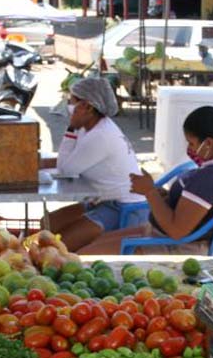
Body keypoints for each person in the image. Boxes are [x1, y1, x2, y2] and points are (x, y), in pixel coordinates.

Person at [79, 106, 213, 255]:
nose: (189, 149)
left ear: (208, 143)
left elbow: (176, 230)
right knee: (94, 243)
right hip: (162, 235)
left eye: (192, 143)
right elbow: (197, 207)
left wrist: (150, 192)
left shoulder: (209, 179)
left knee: (85, 256)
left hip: (175, 246)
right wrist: (165, 195)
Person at [43, 77, 146, 251]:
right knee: (48, 224)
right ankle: (26, 249)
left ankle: (32, 253)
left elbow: (65, 168)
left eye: (72, 101)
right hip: (100, 200)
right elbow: (67, 161)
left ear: (88, 107)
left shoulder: (100, 135)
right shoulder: (90, 127)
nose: (68, 106)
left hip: (123, 207)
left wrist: (71, 128)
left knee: (60, 244)